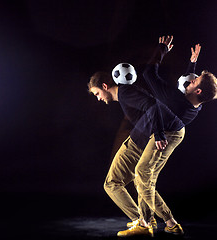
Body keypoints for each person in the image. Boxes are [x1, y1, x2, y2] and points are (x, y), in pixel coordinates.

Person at [88, 72, 185, 237]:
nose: (98, 98)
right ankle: (147, 220)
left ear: (105, 86)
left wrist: (159, 134)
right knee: (112, 183)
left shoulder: (125, 92)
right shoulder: (124, 95)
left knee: (142, 175)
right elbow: (148, 111)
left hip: (164, 132)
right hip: (139, 138)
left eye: (97, 93)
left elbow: (153, 106)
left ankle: (151, 223)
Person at [143, 36, 217, 126]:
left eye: (195, 80)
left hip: (142, 131)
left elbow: (148, 73)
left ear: (198, 91)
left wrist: (162, 49)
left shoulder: (173, 101)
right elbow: (189, 91)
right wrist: (192, 64)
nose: (192, 80)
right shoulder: (195, 108)